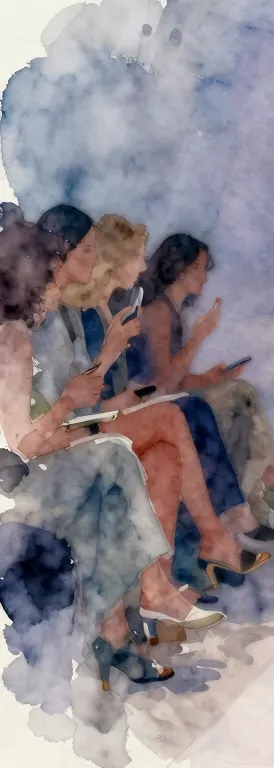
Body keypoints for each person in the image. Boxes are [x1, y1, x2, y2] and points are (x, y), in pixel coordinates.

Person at [0, 210, 198, 690]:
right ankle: (126, 614)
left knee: (118, 471)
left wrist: (89, 394)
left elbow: (56, 422)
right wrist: (71, 403)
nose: (94, 259)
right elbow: (22, 444)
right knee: (114, 457)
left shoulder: (35, 328)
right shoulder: (15, 340)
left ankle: (114, 630)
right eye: (86, 250)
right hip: (23, 482)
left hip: (47, 462)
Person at [34, 208, 271, 598]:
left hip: (90, 417)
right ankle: (213, 540)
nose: (143, 266)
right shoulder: (69, 316)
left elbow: (91, 389)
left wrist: (123, 391)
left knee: (171, 444)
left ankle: (167, 581)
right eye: (88, 249)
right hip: (65, 434)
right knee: (178, 414)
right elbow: (71, 398)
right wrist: (117, 362)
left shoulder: (83, 312)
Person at [132, 234, 274, 524]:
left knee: (238, 393)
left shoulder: (170, 311)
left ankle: (263, 488)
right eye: (198, 268)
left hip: (166, 401)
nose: (205, 277)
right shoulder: (158, 313)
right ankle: (265, 486)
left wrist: (210, 378)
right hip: (149, 411)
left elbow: (174, 379)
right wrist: (197, 339)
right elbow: (161, 385)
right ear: (178, 269)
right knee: (239, 397)